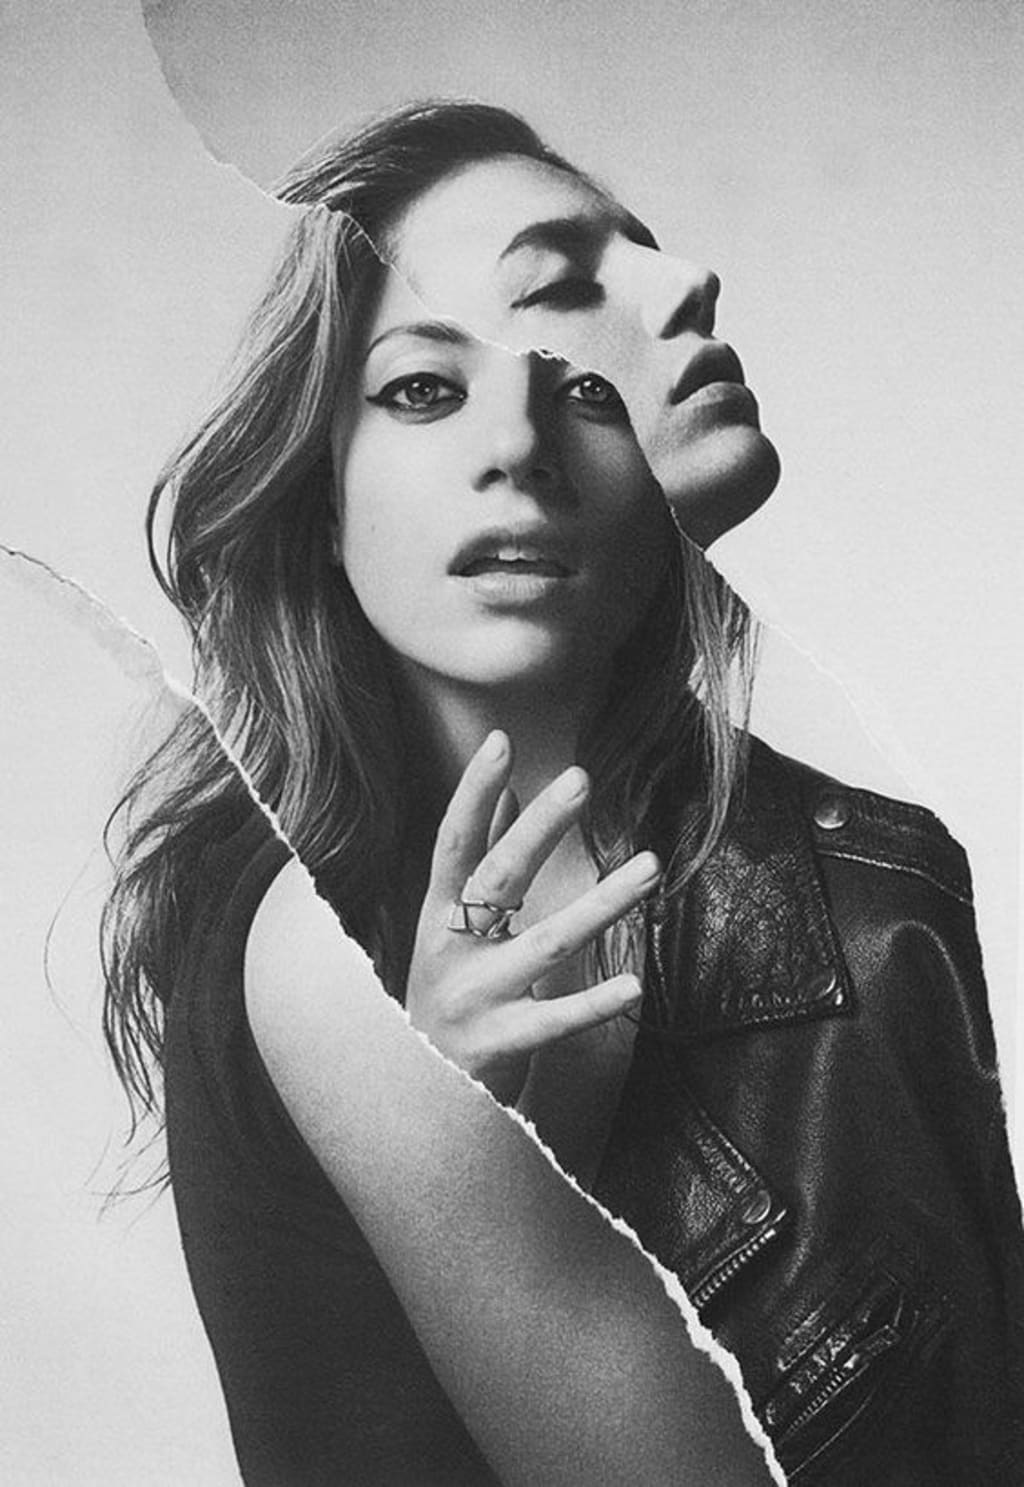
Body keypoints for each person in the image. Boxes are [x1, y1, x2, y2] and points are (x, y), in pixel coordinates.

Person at [101, 100, 1024, 1484]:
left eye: (586, 391)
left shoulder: (886, 901)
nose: (516, 447)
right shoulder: (313, 946)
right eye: (424, 390)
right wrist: (473, 1158)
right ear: (319, 486)